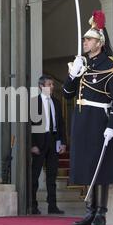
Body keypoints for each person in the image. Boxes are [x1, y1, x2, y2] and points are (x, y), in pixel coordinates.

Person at [63, 10, 113, 225]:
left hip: (100, 119)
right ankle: (89, 209)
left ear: (100, 42)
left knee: (101, 165)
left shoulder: (111, 65)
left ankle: (100, 211)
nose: (85, 42)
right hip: (82, 120)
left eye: (89, 39)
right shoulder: (82, 64)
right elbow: (67, 94)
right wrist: (73, 75)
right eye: (84, 39)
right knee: (86, 165)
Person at [31, 75, 67, 215]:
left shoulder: (56, 102)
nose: (52, 86)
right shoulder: (34, 102)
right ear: (41, 86)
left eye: (52, 84)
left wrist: (63, 141)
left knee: (52, 176)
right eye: (49, 84)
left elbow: (61, 123)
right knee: (35, 175)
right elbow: (30, 125)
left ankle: (52, 205)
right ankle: (32, 205)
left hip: (53, 140)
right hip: (39, 142)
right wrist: (32, 145)